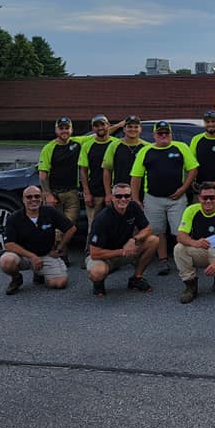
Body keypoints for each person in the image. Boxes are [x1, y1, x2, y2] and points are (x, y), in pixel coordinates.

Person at [130, 120, 199, 277]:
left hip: (177, 199)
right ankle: (163, 260)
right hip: (153, 198)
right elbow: (136, 177)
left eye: (166, 133)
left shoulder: (181, 147)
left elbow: (193, 169)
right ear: (154, 135)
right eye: (160, 133)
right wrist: (135, 199)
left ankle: (183, 260)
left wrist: (183, 188)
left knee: (180, 231)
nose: (163, 135)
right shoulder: (145, 151)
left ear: (170, 134)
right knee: (157, 231)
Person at [86, 183, 159, 297]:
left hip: (126, 249)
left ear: (131, 197)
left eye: (126, 196)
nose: (123, 199)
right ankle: (98, 283)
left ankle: (136, 278)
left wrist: (134, 239)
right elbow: (94, 253)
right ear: (112, 198)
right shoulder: (102, 219)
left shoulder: (133, 207)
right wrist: (122, 251)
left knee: (153, 240)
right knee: (97, 272)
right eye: (119, 196)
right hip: (104, 256)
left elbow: (147, 229)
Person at [0, 185, 75, 295]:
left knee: (60, 283)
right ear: (23, 199)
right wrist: (32, 256)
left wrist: (59, 248)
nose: (33, 199)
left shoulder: (50, 212)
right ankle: (16, 278)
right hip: (23, 256)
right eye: (29, 197)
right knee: (6, 261)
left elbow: (71, 229)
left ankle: (40, 273)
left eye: (37, 196)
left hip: (46, 255)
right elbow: (9, 244)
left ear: (42, 198)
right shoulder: (14, 218)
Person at [174, 182, 215, 303]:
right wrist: (194, 243)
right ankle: (190, 285)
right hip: (199, 249)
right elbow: (180, 236)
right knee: (179, 248)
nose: (208, 201)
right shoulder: (191, 210)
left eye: (211, 197)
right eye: (205, 198)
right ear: (199, 198)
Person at [102, 115, 150, 196]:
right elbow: (107, 170)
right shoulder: (114, 145)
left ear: (140, 129)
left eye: (136, 127)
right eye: (129, 127)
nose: (133, 129)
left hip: (142, 192)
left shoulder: (147, 147)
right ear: (124, 129)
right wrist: (108, 193)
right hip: (120, 193)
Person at [79, 114, 114, 225]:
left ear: (108, 125)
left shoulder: (116, 143)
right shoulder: (87, 146)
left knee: (114, 226)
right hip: (94, 193)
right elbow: (83, 171)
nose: (100, 128)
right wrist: (87, 193)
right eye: (96, 126)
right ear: (93, 128)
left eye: (102, 125)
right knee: (94, 225)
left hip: (115, 193)